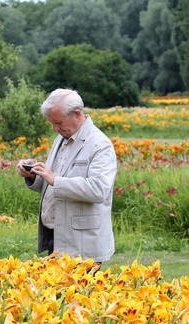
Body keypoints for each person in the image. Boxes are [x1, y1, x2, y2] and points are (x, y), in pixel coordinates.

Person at [17, 88, 117, 265]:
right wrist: (34, 176)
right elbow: (53, 185)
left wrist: (54, 179)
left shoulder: (100, 145)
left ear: (77, 114)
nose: (55, 128)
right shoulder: (61, 138)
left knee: (80, 292)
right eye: (52, 124)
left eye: (58, 123)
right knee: (54, 292)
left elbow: (98, 190)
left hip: (82, 244)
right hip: (56, 235)